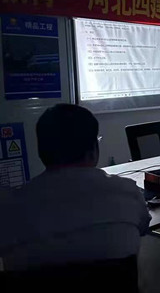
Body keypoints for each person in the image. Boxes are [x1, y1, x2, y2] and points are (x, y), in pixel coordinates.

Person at [0, 104, 150, 271]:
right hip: (115, 288)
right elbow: (143, 227)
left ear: (41, 153)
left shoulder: (9, 208)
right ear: (94, 151)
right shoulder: (128, 191)